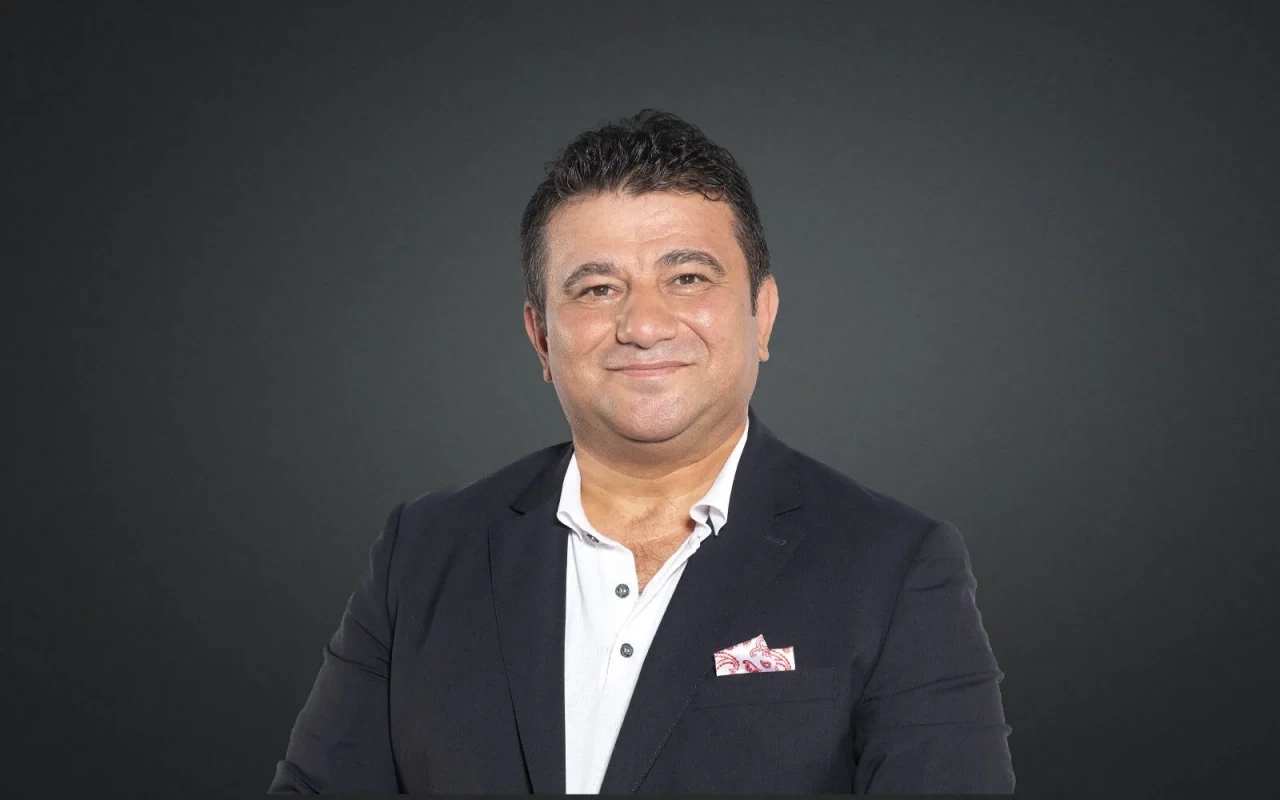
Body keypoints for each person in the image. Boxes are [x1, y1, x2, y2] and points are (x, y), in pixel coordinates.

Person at [268, 109, 1014, 794]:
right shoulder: (423, 553)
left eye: (687, 279)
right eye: (597, 289)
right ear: (541, 337)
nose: (644, 325)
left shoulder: (894, 566)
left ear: (761, 315)